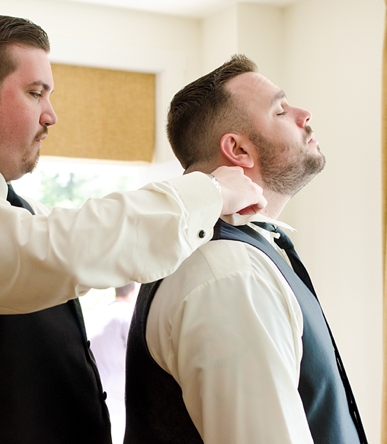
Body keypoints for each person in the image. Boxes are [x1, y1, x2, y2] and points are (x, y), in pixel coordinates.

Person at [0, 14, 266, 444]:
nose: (51, 116)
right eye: (35, 93)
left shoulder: (15, 209)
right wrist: (209, 191)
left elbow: (89, 235)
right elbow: (65, 247)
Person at [124, 55, 368, 444]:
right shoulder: (228, 274)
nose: (304, 115)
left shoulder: (243, 255)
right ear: (238, 149)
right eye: (280, 110)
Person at [86, 282, 140, 443]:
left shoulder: (99, 311)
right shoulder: (129, 315)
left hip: (96, 389)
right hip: (117, 397)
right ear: (134, 290)